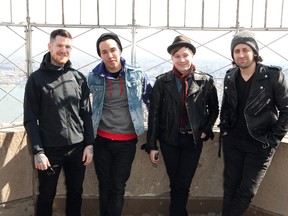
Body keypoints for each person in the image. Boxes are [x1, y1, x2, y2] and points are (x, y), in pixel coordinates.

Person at [144, 35, 219, 216]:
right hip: (169, 140)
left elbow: (214, 109)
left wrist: (205, 130)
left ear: (192, 56)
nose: (182, 59)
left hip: (193, 141)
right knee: (175, 183)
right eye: (177, 56)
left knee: (183, 183)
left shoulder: (205, 81)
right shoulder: (162, 82)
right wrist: (152, 145)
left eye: (185, 55)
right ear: (172, 58)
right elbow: (153, 115)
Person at [23, 29, 94, 216]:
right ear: (50, 47)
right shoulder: (36, 80)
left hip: (78, 148)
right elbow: (30, 119)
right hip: (50, 150)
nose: (64, 50)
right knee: (46, 195)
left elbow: (87, 114)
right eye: (60, 45)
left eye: (68, 46)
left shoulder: (78, 78)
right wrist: (38, 151)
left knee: (76, 193)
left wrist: (89, 144)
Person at [218, 30, 288, 216]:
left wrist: (273, 138)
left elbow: (286, 109)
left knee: (247, 191)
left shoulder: (273, 76)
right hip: (233, 141)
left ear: (254, 52)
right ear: (232, 55)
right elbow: (227, 106)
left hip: (260, 143)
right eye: (237, 51)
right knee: (229, 188)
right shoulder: (230, 76)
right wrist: (225, 128)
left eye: (245, 50)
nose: (241, 55)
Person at [87, 33, 151, 216]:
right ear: (100, 55)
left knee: (117, 186)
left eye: (113, 50)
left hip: (127, 141)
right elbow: (81, 106)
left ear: (120, 50)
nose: (110, 55)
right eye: (104, 52)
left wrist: (154, 137)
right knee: (104, 185)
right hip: (102, 140)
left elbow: (152, 102)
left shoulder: (137, 74)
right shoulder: (93, 77)